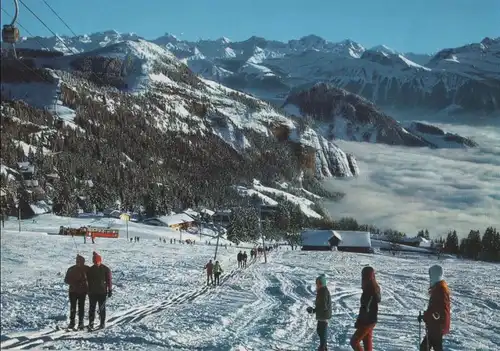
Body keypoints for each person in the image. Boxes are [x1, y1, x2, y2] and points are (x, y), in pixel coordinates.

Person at [418, 265, 450, 351]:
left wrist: (426, 316)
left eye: (431, 275)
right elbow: (436, 310)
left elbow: (438, 312)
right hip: (436, 326)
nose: (430, 278)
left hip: (436, 327)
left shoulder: (440, 290)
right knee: (430, 347)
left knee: (424, 348)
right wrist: (426, 315)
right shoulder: (439, 289)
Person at [350, 266, 381, 351]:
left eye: (363, 277)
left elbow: (365, 308)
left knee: (354, 341)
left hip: (367, 322)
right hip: (370, 321)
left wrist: (360, 321)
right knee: (367, 341)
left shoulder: (370, 290)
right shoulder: (372, 287)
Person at [87, 251, 112, 330]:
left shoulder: (105, 269)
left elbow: (109, 280)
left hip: (102, 292)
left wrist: (110, 289)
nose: (96, 263)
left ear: (100, 261)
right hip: (92, 292)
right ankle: (91, 323)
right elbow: (88, 281)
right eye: (94, 262)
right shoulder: (90, 269)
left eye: (97, 262)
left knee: (102, 308)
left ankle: (102, 323)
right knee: (92, 308)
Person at [306, 274, 332, 351]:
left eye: (318, 283)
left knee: (322, 332)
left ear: (321, 284)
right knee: (320, 331)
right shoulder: (322, 291)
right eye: (317, 283)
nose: (317, 285)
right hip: (322, 316)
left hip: (323, 316)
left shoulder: (323, 292)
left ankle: (322, 348)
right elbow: (320, 306)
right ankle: (323, 347)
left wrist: (314, 310)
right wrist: (313, 310)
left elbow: (323, 306)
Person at [64, 254, 89, 330]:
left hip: (82, 291)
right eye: (77, 261)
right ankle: (72, 322)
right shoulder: (71, 269)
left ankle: (81, 323)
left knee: (81, 307)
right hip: (73, 291)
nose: (78, 263)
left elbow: (92, 278)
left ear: (83, 262)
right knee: (73, 307)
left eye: (80, 261)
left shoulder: (87, 269)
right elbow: (66, 280)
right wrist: (74, 283)